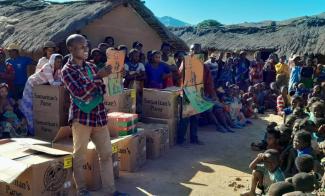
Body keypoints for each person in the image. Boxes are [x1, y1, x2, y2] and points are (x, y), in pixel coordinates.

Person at [61, 34, 126, 196]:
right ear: (70, 49)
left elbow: (101, 90)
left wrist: (113, 76)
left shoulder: (90, 67)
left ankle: (111, 190)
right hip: (81, 118)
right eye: (81, 46)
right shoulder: (67, 70)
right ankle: (82, 190)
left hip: (99, 115)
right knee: (80, 156)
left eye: (86, 46)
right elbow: (80, 93)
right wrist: (98, 78)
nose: (85, 49)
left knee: (106, 154)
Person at [20, 54, 63, 136]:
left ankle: (33, 130)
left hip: (39, 87)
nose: (59, 64)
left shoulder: (57, 70)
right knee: (28, 107)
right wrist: (63, 83)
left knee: (36, 107)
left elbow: (59, 80)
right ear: (52, 61)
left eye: (60, 62)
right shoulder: (47, 67)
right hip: (31, 84)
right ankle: (29, 131)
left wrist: (62, 82)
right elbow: (53, 83)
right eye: (57, 62)